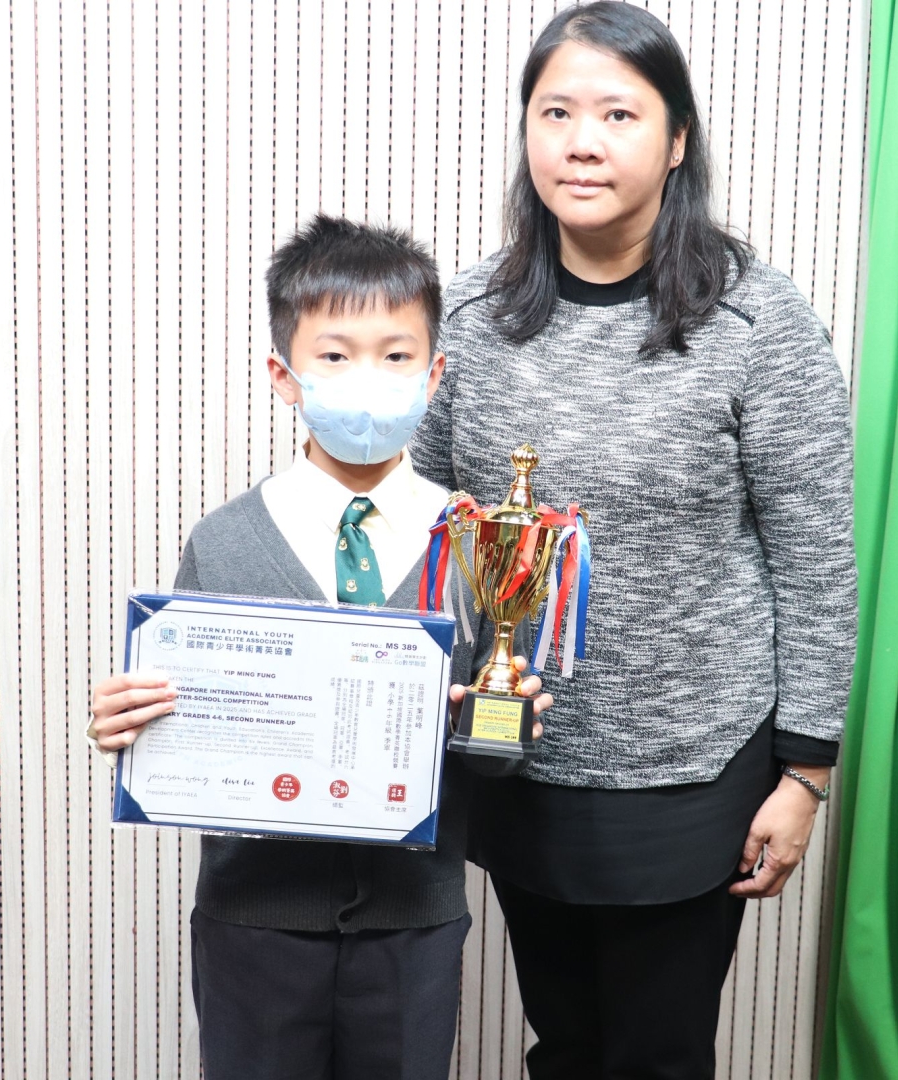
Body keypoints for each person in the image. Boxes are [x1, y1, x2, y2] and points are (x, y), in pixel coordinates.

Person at [406, 5, 856, 1079]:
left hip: (693, 769)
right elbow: (415, 521)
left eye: (618, 114)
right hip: (517, 758)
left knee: (659, 1055)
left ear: (677, 139)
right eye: (556, 112)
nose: (582, 142)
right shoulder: (466, 316)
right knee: (563, 1045)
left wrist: (805, 776)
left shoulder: (758, 324)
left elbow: (816, 561)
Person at [86, 215, 552, 1080]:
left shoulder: (480, 542)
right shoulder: (225, 543)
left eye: (397, 355)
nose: (367, 378)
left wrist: (506, 723)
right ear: (285, 376)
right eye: (335, 356)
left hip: (414, 921)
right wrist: (131, 727)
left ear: (435, 373)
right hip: (253, 919)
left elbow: (493, 757)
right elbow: (185, 731)